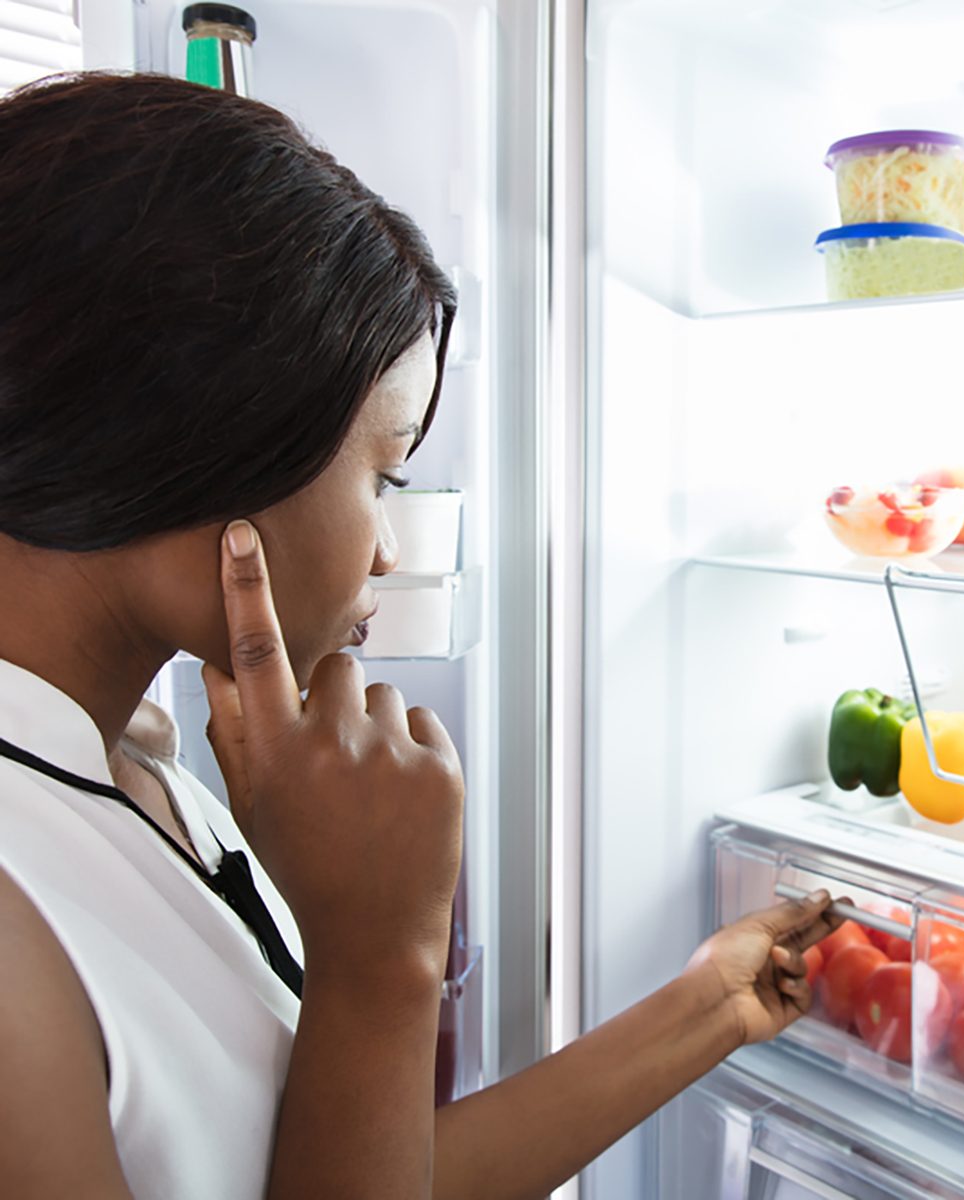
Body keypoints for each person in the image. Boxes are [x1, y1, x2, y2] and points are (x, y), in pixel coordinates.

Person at [0, 72, 838, 1199]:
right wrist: (377, 955)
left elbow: (357, 1170)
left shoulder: (130, 759)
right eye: (384, 472)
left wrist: (711, 1006)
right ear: (208, 432)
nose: (389, 550)